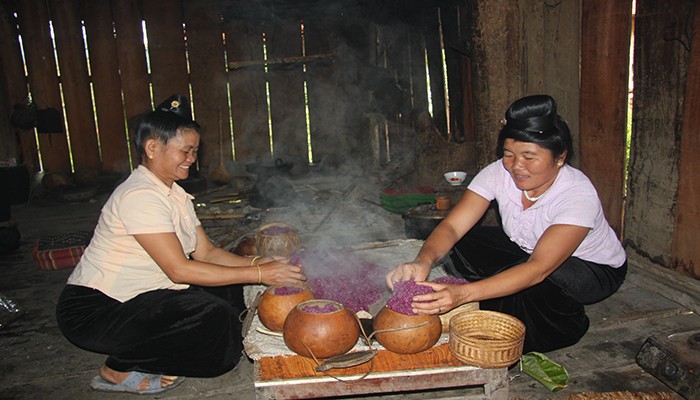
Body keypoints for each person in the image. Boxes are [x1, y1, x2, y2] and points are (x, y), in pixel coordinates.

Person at [55, 95, 306, 395]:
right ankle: (118, 367)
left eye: (194, 151)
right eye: (185, 151)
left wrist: (261, 263)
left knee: (228, 296)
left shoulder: (173, 193)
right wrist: (260, 275)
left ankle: (185, 341)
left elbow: (207, 253)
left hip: (139, 297)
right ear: (152, 148)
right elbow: (179, 270)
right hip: (96, 310)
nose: (192, 159)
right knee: (215, 327)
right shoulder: (140, 196)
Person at [386, 94, 627, 353]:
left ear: (560, 158)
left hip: (590, 270)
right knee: (463, 242)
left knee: (532, 284)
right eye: (509, 154)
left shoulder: (577, 195)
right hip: (528, 250)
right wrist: (423, 260)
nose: (516, 166)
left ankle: (567, 322)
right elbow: (452, 227)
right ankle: (495, 285)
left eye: (529, 157)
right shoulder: (498, 171)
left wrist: (462, 295)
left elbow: (538, 269)